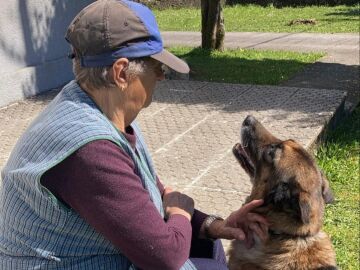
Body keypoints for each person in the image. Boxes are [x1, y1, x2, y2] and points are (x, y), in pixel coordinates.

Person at [0, 1, 268, 269]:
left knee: (211, 251)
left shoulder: (98, 108)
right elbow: (165, 257)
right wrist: (180, 214)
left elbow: (144, 196)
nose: (161, 77)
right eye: (156, 67)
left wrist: (213, 225)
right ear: (121, 73)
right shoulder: (90, 150)